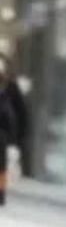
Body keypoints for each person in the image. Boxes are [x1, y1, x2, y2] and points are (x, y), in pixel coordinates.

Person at [0, 54, 27, 207]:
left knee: (1, 167)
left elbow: (21, 113)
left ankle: (0, 192)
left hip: (3, 136)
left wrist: (18, 140)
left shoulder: (11, 88)